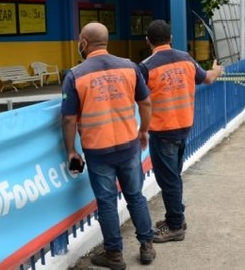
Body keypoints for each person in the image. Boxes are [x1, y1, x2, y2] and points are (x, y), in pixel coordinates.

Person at [61, 22, 156, 268]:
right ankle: (147, 245)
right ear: (106, 40)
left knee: (106, 202)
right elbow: (145, 103)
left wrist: (71, 150)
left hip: (98, 150)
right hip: (128, 145)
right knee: (135, 195)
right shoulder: (129, 67)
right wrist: (143, 130)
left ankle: (114, 254)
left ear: (83, 42)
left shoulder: (75, 75)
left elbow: (69, 118)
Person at [138, 19, 224, 243]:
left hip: (163, 130)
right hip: (184, 127)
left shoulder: (146, 67)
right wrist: (216, 70)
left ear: (148, 41)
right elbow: (208, 78)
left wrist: (143, 129)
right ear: (171, 39)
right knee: (173, 177)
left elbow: (138, 98)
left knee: (168, 180)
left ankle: (176, 226)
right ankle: (175, 218)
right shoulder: (186, 59)